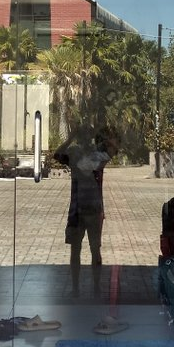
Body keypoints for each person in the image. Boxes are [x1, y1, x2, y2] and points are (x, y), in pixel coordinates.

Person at [53, 124, 118, 298]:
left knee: (85, 250)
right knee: (89, 249)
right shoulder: (91, 155)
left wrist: (70, 138)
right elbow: (114, 149)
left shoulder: (78, 154)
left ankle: (81, 288)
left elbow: (57, 154)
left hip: (83, 207)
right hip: (85, 208)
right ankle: (87, 288)